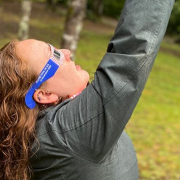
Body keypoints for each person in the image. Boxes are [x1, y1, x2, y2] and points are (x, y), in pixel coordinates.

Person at [0, 0, 175, 179]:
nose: (66, 52)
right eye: (55, 55)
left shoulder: (34, 135)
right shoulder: (66, 134)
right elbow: (132, 51)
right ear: (44, 94)